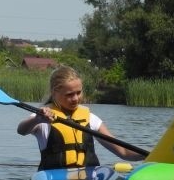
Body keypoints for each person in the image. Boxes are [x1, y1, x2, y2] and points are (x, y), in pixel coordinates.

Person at [17, 65, 145, 170]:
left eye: (78, 93)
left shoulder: (90, 118)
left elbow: (122, 151)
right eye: (69, 94)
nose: (75, 98)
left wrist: (149, 155)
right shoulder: (42, 117)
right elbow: (21, 130)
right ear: (54, 92)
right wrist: (37, 119)